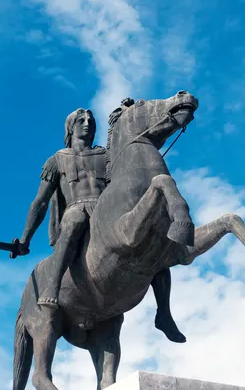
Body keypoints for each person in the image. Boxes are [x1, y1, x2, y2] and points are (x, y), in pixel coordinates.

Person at [16, 103, 186, 342]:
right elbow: (40, 203)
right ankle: (51, 288)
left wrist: (127, 114)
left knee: (153, 241)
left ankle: (164, 313)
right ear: (70, 128)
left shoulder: (105, 156)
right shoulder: (57, 160)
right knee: (74, 221)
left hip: (106, 210)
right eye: (81, 121)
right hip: (77, 208)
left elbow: (132, 148)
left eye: (91, 121)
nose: (87, 124)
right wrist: (25, 239)